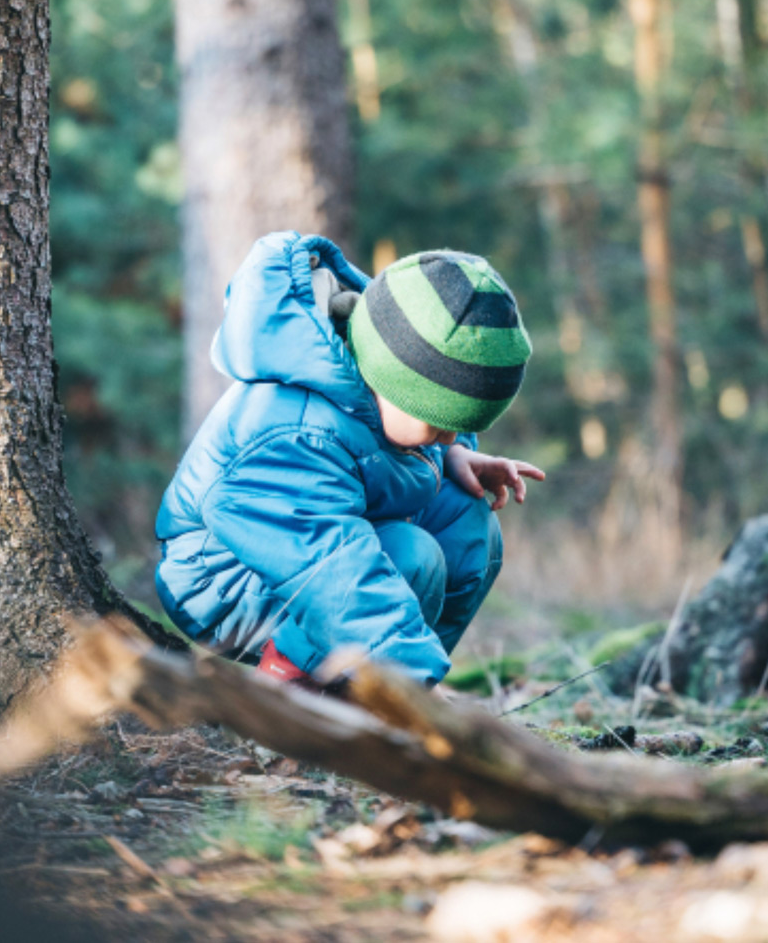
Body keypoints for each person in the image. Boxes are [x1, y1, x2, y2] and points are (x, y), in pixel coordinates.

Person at [155, 231, 544, 688]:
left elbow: (381, 446)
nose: (449, 436)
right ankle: (292, 695)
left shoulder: (372, 387)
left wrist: (448, 454)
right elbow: (331, 569)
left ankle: (377, 692)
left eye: (457, 427)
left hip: (323, 543)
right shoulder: (296, 430)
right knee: (411, 555)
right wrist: (416, 674)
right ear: (388, 378)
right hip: (228, 578)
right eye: (437, 425)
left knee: (467, 516)